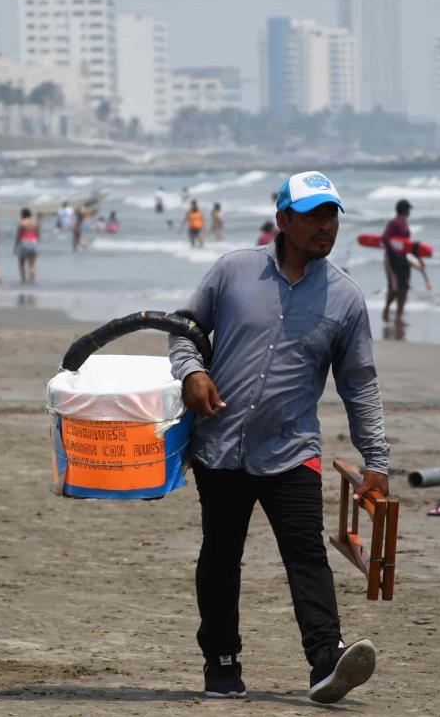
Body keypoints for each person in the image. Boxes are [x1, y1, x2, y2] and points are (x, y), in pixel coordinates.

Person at [169, 170, 388, 704]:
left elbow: (359, 382)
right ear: (283, 219)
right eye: (313, 215)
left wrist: (376, 458)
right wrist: (191, 373)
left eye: (332, 214)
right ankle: (221, 665)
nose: (326, 226)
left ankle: (326, 659)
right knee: (221, 556)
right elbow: (183, 329)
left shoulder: (344, 299)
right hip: (220, 446)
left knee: (305, 554)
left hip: (291, 450)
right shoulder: (233, 272)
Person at [381, 199, 414, 324]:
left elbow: (406, 244)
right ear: (405, 210)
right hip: (393, 259)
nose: (409, 212)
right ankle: (387, 308)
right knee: (394, 289)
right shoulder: (394, 223)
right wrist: (394, 252)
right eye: (408, 209)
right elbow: (385, 238)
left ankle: (399, 317)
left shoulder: (404, 223)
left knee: (404, 288)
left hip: (404, 259)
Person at [14, 207, 39, 283]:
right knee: (32, 265)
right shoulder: (35, 222)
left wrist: (15, 247)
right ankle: (33, 280)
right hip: (33, 242)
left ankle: (23, 280)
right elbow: (37, 234)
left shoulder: (22, 223)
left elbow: (18, 236)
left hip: (24, 242)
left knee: (22, 263)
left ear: (23, 214)